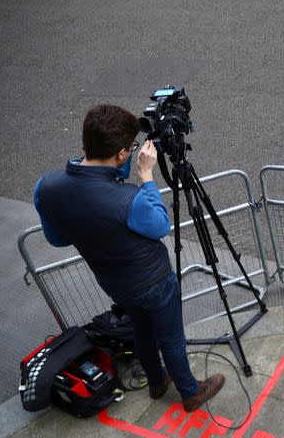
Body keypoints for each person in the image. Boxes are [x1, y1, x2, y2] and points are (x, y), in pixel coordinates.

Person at [34, 104, 225, 412]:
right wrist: (147, 176)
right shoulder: (129, 199)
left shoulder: (47, 186)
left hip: (115, 284)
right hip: (155, 282)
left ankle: (157, 382)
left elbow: (57, 238)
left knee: (142, 329)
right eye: (132, 148)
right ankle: (191, 392)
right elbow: (160, 225)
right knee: (171, 338)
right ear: (122, 154)